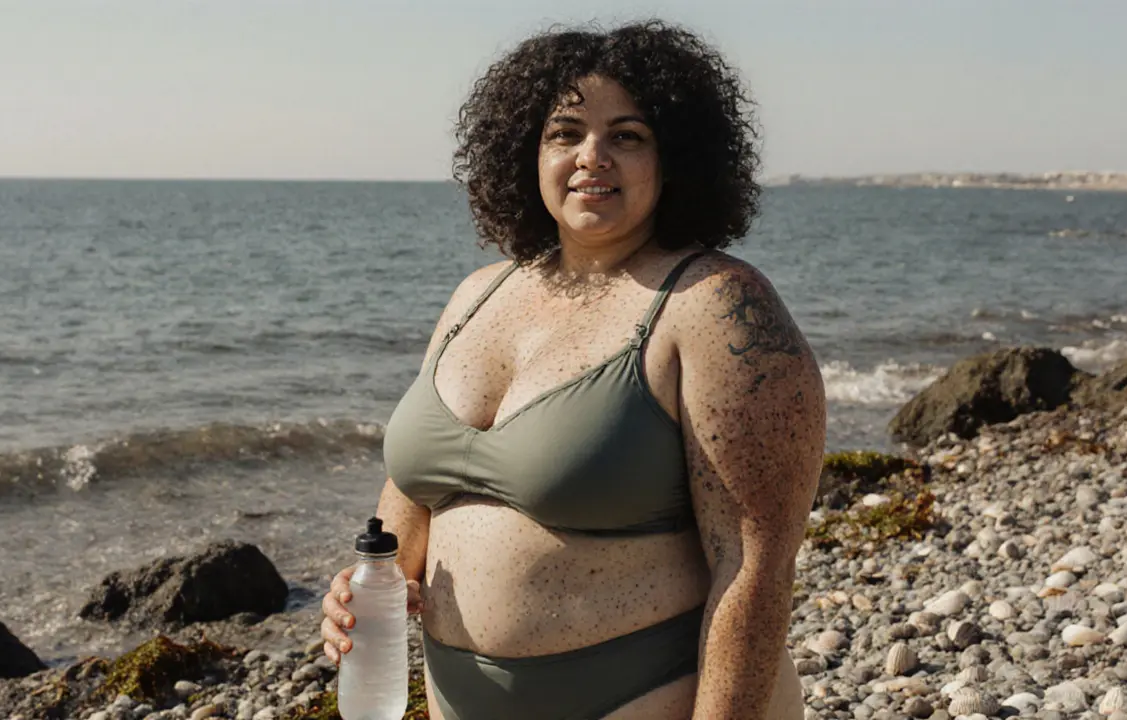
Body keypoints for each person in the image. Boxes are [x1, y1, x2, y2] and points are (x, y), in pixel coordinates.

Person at [321, 20, 826, 720]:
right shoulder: (477, 296)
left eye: (627, 135)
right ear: (525, 153)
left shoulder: (715, 307)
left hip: (647, 694)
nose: (592, 156)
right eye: (565, 132)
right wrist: (362, 589)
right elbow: (413, 502)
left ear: (673, 158)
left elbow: (755, 568)